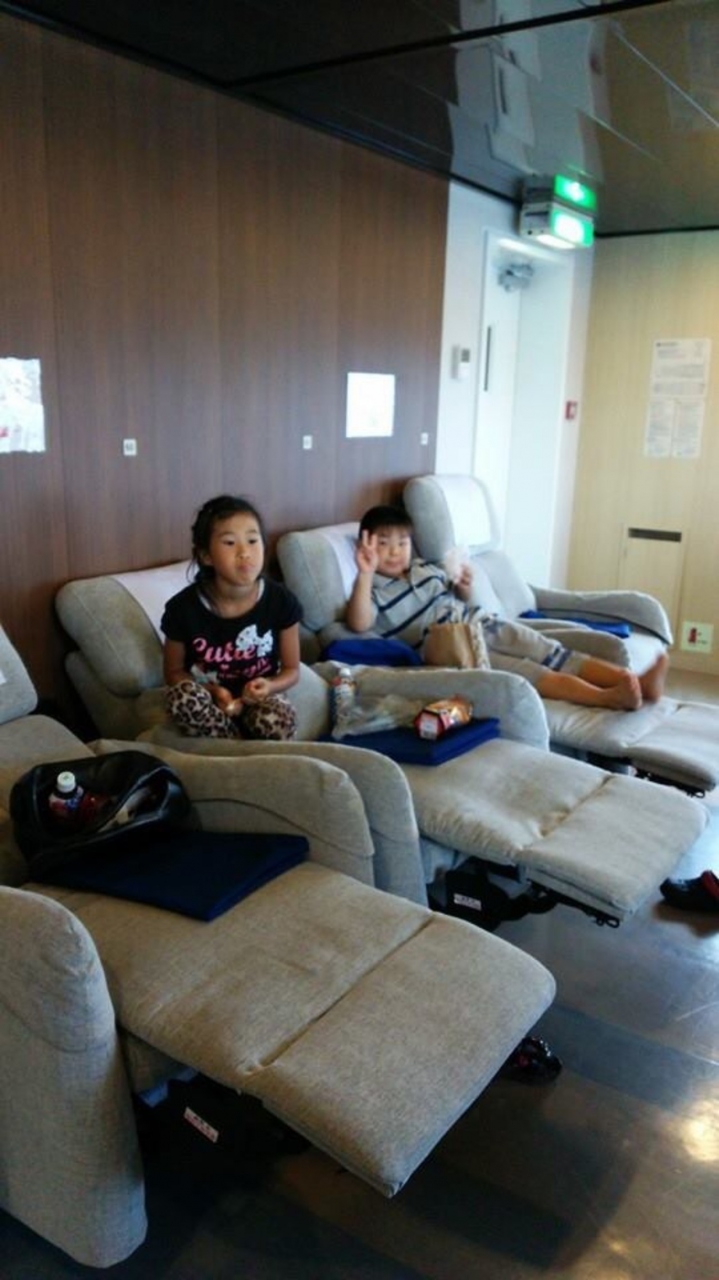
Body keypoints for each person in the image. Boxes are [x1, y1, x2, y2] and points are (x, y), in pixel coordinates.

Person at [346, 505, 669, 710]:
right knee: (531, 674)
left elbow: (462, 598)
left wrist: (464, 584)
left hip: (484, 623)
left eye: (402, 543)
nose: (394, 551)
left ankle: (635, 680)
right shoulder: (375, 591)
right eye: (383, 543)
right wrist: (366, 572)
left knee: (551, 650)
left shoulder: (426, 569)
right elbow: (359, 623)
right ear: (366, 545)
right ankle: (608, 697)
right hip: (458, 649)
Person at [161, 494, 302, 739]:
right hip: (210, 701)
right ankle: (234, 742)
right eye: (229, 542)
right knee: (181, 697)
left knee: (279, 718)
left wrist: (269, 686)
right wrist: (212, 691)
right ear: (206, 555)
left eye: (252, 540)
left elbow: (292, 670)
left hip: (259, 698)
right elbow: (173, 673)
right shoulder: (182, 609)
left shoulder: (281, 600)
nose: (244, 552)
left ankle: (234, 746)